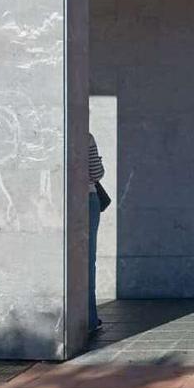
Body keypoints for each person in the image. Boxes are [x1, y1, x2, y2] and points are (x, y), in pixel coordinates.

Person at [88, 132, 105, 333]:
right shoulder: (86, 137)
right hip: (86, 197)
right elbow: (96, 172)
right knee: (88, 260)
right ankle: (90, 319)